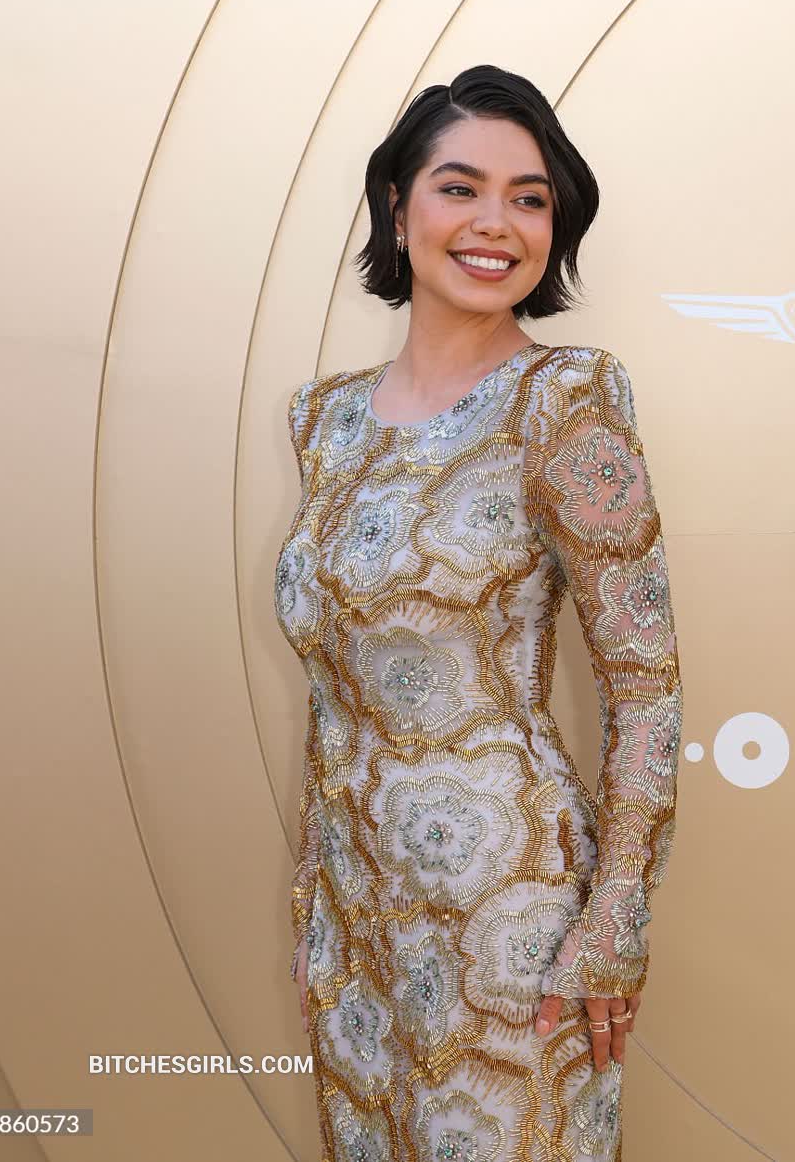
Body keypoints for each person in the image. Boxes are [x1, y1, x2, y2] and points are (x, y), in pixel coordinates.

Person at [275, 64, 682, 1161]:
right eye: (460, 188)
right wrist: (318, 891)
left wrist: (615, 920)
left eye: (529, 198)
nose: (496, 222)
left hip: (512, 920)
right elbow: (336, 688)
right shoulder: (323, 423)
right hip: (358, 919)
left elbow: (646, 689)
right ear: (396, 206)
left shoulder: (566, 400)